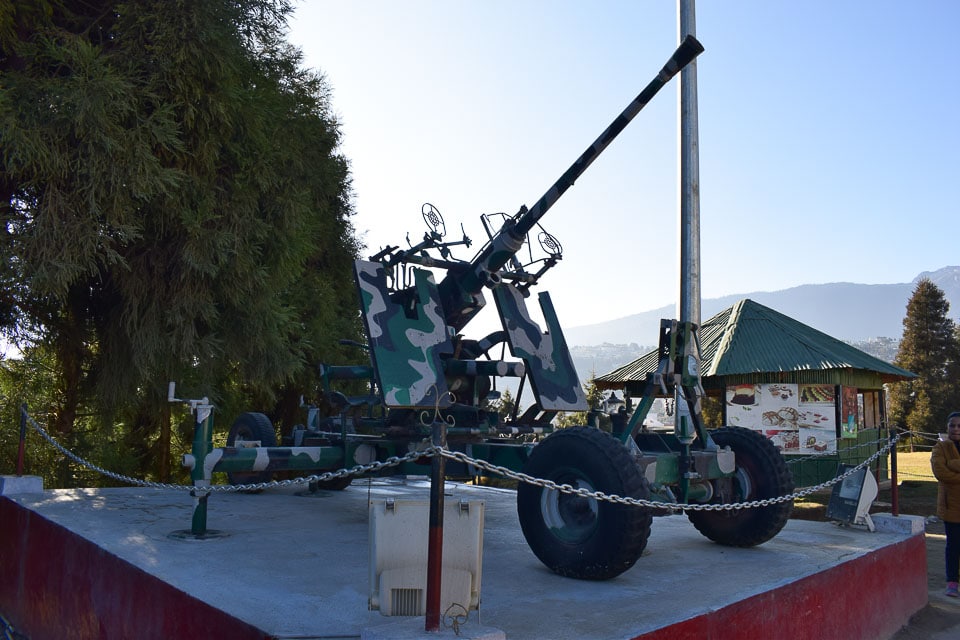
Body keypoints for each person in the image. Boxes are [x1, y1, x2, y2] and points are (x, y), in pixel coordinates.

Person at [931, 411, 960, 597]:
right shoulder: (940, 448)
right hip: (952, 506)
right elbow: (941, 472)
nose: (956, 429)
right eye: (952, 425)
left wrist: (954, 464)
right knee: (953, 545)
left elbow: (949, 468)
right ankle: (952, 581)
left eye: (959, 426)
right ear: (947, 427)